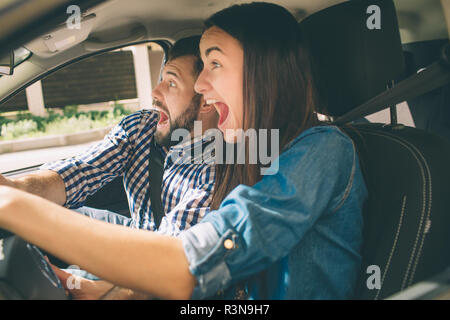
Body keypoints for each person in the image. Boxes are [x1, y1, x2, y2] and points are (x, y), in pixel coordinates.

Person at [0, 2, 367, 300]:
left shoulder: (322, 151)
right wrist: (86, 288)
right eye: (203, 67)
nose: (203, 86)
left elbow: (188, 267)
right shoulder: (246, 148)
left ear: (263, 71)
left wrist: (11, 206)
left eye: (215, 64)